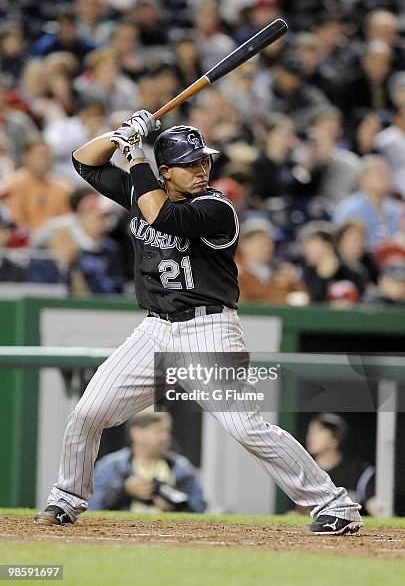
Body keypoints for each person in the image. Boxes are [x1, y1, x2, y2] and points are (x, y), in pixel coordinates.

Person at [34, 110, 363, 535]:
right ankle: (66, 499)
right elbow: (84, 161)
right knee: (87, 412)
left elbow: (164, 218)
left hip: (208, 329)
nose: (202, 169)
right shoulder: (142, 189)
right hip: (154, 329)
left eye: (203, 160)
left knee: (246, 428)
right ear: (166, 171)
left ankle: (335, 504)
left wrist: (136, 158)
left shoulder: (216, 206)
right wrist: (121, 135)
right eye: (190, 163)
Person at [89, 411, 206, 513]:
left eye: (167, 431)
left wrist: (174, 505)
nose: (165, 437)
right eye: (158, 431)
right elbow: (91, 505)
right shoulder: (110, 466)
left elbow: (199, 506)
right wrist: (124, 491)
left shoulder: (181, 467)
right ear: (136, 433)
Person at [297, 414, 379, 516]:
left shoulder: (357, 470)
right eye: (311, 431)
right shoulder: (302, 471)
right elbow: (292, 514)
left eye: (319, 431)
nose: (311, 436)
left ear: (334, 440)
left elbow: (378, 511)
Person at [333, 155, 402, 249]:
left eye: (387, 174)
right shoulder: (349, 209)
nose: (386, 178)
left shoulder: (397, 209)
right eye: (380, 174)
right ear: (363, 179)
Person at [3, 139, 72, 231]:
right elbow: (14, 221)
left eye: (47, 156)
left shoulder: (62, 188)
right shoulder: (13, 185)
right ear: (26, 157)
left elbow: (67, 221)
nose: (44, 161)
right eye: (39, 156)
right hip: (24, 238)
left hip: (55, 238)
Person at [238, 217, 308, 304]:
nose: (266, 246)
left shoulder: (283, 273)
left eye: (268, 241)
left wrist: (292, 282)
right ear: (244, 245)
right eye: (259, 241)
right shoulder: (235, 275)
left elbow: (303, 299)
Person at [298, 222, 366, 302]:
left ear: (328, 246)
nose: (307, 248)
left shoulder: (352, 273)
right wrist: (322, 278)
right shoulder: (307, 272)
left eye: (312, 243)